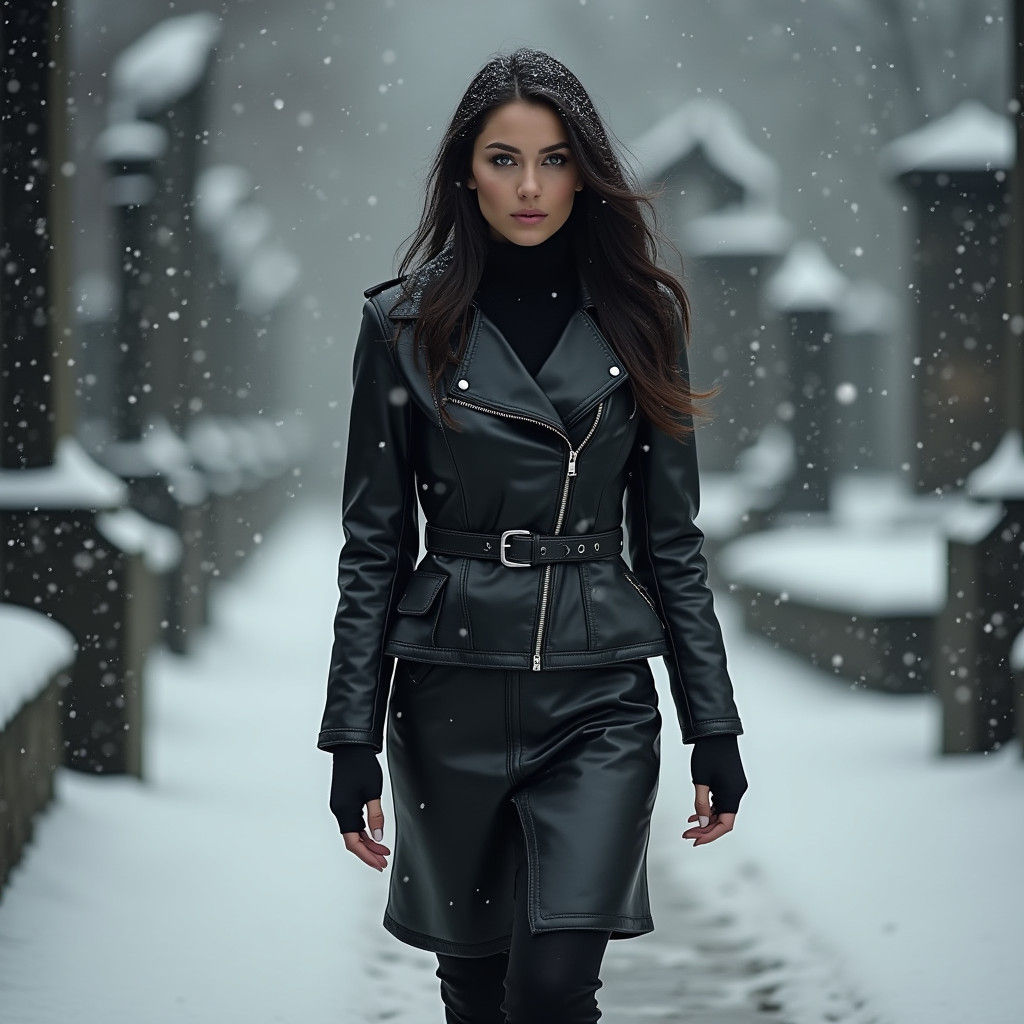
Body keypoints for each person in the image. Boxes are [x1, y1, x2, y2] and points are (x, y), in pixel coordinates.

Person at [318, 47, 749, 1024]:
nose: (529, 185)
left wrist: (711, 725)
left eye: (554, 159)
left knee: (553, 989)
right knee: (474, 989)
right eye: (503, 158)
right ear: (465, 170)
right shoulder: (401, 324)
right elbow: (373, 545)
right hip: (447, 690)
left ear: (584, 171)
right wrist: (351, 736)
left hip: (598, 696)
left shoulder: (641, 319)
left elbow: (671, 543)